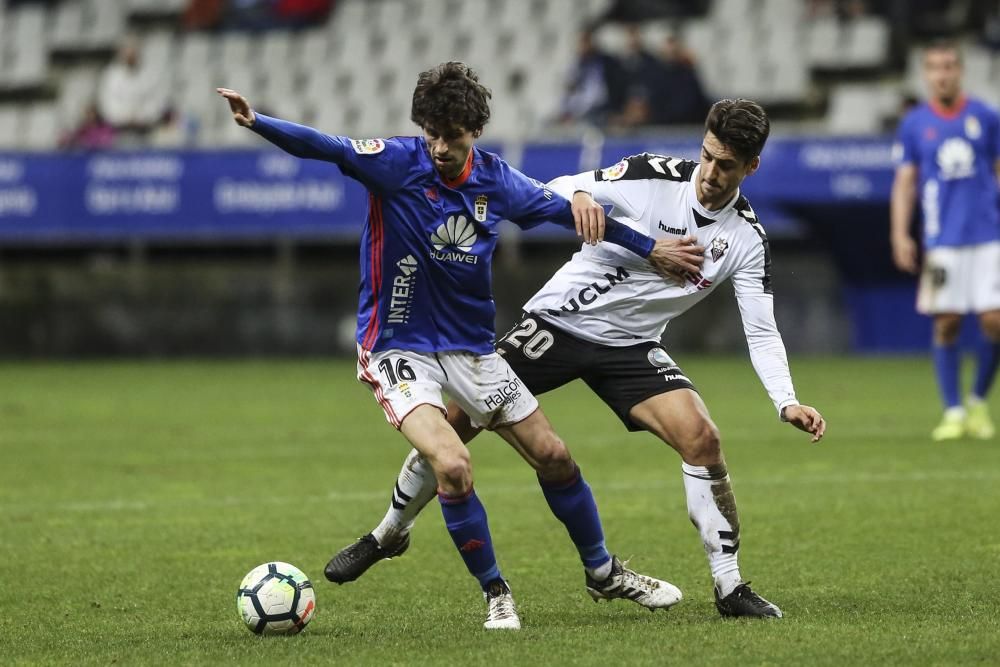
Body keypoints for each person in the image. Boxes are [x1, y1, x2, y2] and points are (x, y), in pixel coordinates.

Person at [218, 62, 691, 630]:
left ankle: (603, 572)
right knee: (453, 463)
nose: (440, 146)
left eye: (453, 135)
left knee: (556, 457)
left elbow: (572, 215)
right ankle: (497, 592)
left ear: (475, 131)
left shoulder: (497, 182)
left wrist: (651, 249)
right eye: (432, 133)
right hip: (397, 345)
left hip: (471, 349)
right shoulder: (396, 162)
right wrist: (257, 121)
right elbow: (328, 147)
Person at [326, 99, 827, 619]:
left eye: (727, 165)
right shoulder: (651, 175)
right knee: (455, 427)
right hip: (557, 323)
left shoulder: (746, 239)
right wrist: (586, 192)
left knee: (703, 439)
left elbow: (761, 328)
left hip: (631, 347)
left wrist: (786, 401)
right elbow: (560, 189)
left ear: (751, 167)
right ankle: (389, 531)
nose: (710, 173)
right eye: (707, 156)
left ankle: (729, 589)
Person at [890, 41, 1000, 441]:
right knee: (948, 322)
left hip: (989, 235)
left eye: (950, 65)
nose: (943, 73)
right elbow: (905, 182)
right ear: (925, 73)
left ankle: (978, 401)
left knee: (994, 320)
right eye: (935, 67)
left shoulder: (986, 116)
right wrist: (900, 233)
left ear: (961, 70)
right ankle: (954, 410)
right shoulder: (915, 123)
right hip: (941, 240)